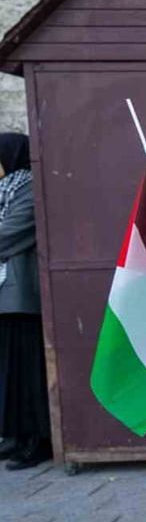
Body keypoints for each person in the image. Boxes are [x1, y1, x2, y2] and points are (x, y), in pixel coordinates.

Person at [0, 134, 51, 471]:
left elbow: (7, 235)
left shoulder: (29, 190)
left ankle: (37, 440)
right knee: (9, 374)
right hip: (6, 298)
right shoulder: (7, 193)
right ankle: (15, 435)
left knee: (28, 374)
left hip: (22, 299)